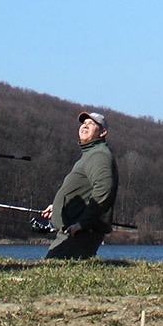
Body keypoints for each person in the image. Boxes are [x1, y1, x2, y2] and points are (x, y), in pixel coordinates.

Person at [40, 110, 119, 259]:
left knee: (56, 272)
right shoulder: (89, 155)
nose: (85, 125)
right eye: (84, 123)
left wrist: (83, 223)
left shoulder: (99, 155)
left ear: (103, 132)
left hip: (81, 234)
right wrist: (57, 207)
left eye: (91, 123)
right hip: (71, 232)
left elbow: (104, 190)